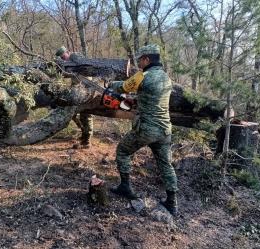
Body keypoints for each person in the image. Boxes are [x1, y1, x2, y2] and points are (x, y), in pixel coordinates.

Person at [109, 44, 178, 216]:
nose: (139, 62)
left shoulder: (143, 76)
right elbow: (151, 98)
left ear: (147, 59)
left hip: (148, 129)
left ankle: (125, 186)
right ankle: (172, 202)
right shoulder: (166, 78)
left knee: (123, 151)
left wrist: (110, 83)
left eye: (140, 59)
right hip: (165, 130)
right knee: (165, 164)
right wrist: (136, 100)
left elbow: (123, 87)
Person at [55, 46, 93, 148]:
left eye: (63, 57)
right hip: (79, 90)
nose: (63, 60)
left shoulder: (76, 57)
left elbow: (84, 74)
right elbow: (74, 79)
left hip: (86, 89)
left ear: (68, 52)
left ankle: (87, 141)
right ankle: (84, 135)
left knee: (86, 114)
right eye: (61, 58)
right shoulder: (71, 61)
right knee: (75, 113)